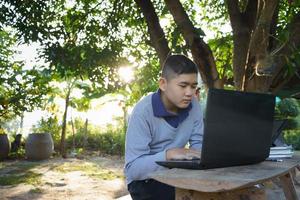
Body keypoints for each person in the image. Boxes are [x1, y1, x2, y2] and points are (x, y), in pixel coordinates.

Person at [124, 54, 204, 200]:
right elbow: (133, 169)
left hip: (175, 174)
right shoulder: (143, 112)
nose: (189, 93)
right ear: (163, 84)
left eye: (193, 87)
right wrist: (168, 155)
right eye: (183, 86)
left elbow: (198, 145)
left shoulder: (194, 105)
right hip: (144, 182)